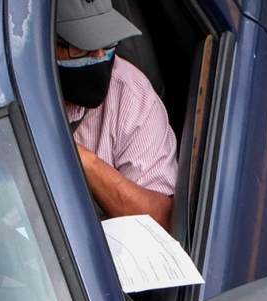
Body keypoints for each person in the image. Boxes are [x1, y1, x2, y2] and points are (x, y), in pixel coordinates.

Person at [55, 0, 178, 229]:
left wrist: (84, 162)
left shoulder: (129, 92)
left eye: (107, 41)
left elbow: (159, 222)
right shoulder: (0, 101)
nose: (101, 55)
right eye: (82, 47)